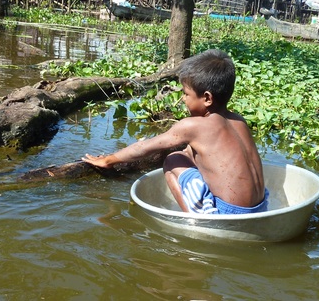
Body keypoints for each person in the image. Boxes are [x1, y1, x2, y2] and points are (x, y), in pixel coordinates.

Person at [82, 49, 268, 214]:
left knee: (172, 160)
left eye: (186, 94)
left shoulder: (193, 126)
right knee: (186, 154)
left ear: (207, 98)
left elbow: (145, 147)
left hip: (229, 213)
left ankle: (196, 221)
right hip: (260, 208)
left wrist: (109, 159)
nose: (183, 100)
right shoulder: (239, 121)